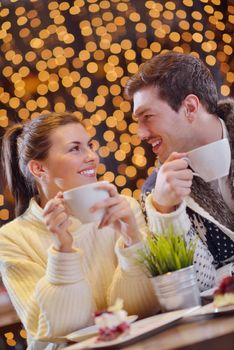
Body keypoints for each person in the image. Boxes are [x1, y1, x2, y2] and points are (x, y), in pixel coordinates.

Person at [0, 112, 158, 350]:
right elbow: (59, 333)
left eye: (90, 146)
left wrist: (133, 239)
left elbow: (144, 308)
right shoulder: (12, 239)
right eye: (75, 149)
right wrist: (63, 251)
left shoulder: (125, 210)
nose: (92, 157)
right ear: (38, 168)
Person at [125, 51, 234, 292]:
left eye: (148, 117)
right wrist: (166, 213)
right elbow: (193, 289)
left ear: (190, 107)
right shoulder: (155, 192)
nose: (141, 134)